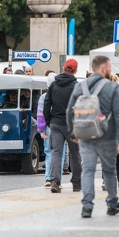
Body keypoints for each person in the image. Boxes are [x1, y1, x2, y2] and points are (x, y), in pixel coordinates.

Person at [66, 56, 119, 218]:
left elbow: (69, 111)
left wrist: (73, 132)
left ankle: (87, 206)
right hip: (107, 136)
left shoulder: (80, 86)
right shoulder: (112, 87)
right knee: (109, 170)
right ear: (103, 69)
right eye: (108, 67)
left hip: (85, 135)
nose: (109, 70)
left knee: (87, 170)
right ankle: (112, 204)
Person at [44, 59, 82, 193]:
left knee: (56, 152)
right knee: (75, 154)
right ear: (75, 70)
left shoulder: (54, 85)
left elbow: (46, 105)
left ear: (63, 68)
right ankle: (76, 183)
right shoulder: (77, 86)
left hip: (56, 123)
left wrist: (50, 121)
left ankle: (54, 181)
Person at [37, 73, 67, 187]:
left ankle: (48, 178)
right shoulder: (61, 95)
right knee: (60, 153)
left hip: (48, 126)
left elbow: (40, 115)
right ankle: (57, 179)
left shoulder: (43, 97)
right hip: (59, 125)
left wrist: (41, 129)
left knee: (49, 152)